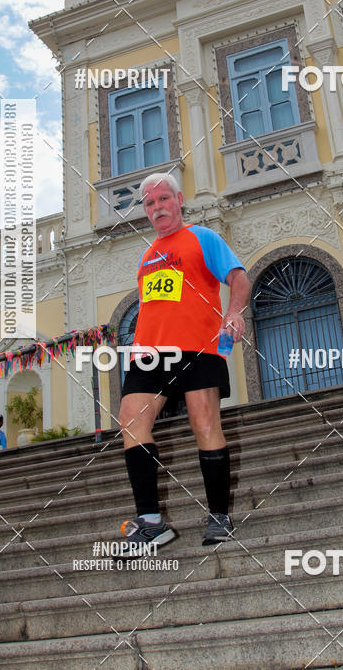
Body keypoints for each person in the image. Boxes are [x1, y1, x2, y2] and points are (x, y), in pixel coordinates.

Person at [119, 173, 251, 548]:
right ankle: (151, 523)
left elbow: (239, 278)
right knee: (131, 421)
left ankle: (218, 515)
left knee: (205, 423)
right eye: (149, 203)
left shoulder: (203, 237)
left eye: (163, 199)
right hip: (150, 353)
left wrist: (234, 313)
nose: (157, 207)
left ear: (178, 200)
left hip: (199, 347)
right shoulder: (146, 257)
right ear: (145, 211)